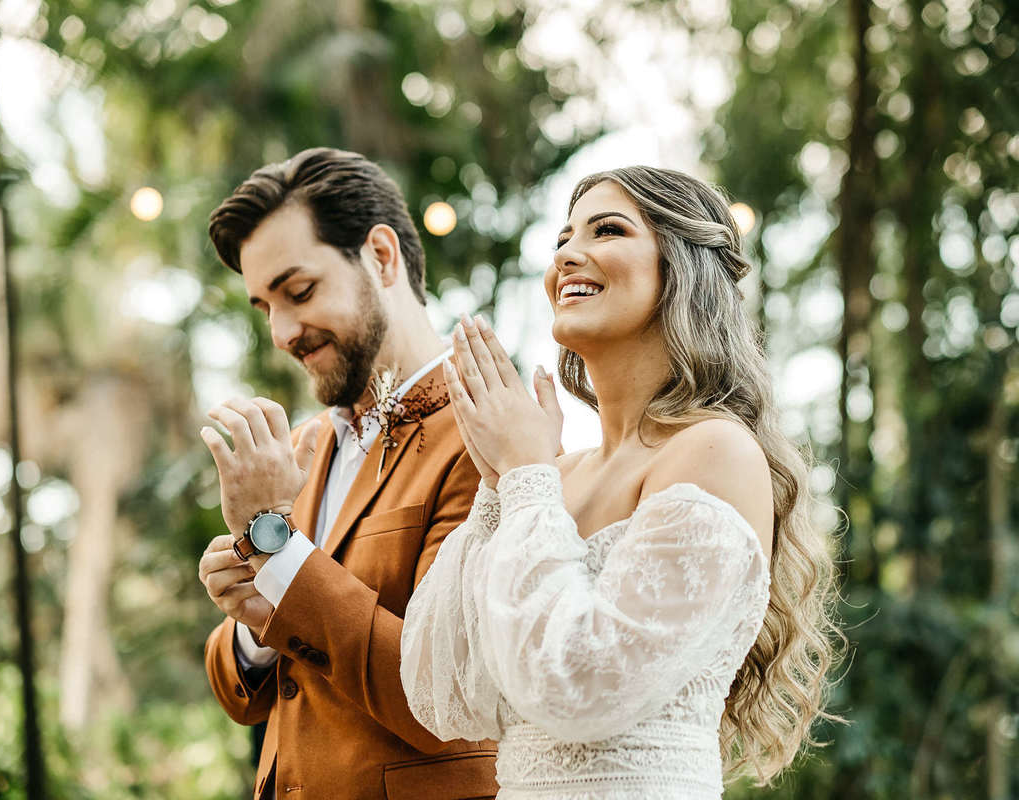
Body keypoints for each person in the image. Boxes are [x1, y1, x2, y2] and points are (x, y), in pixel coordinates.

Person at [400, 166, 842, 798]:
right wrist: (501, 486)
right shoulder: (554, 478)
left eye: (607, 230)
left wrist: (526, 475)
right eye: (561, 240)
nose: (566, 257)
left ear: (682, 271)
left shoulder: (712, 451)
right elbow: (443, 693)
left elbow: (577, 684)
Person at [197, 147, 498, 800]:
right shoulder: (299, 451)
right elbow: (242, 696)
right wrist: (255, 625)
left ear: (382, 257)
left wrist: (269, 541)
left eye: (298, 292)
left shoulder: (493, 437)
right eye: (263, 306)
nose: (280, 331)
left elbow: (442, 701)